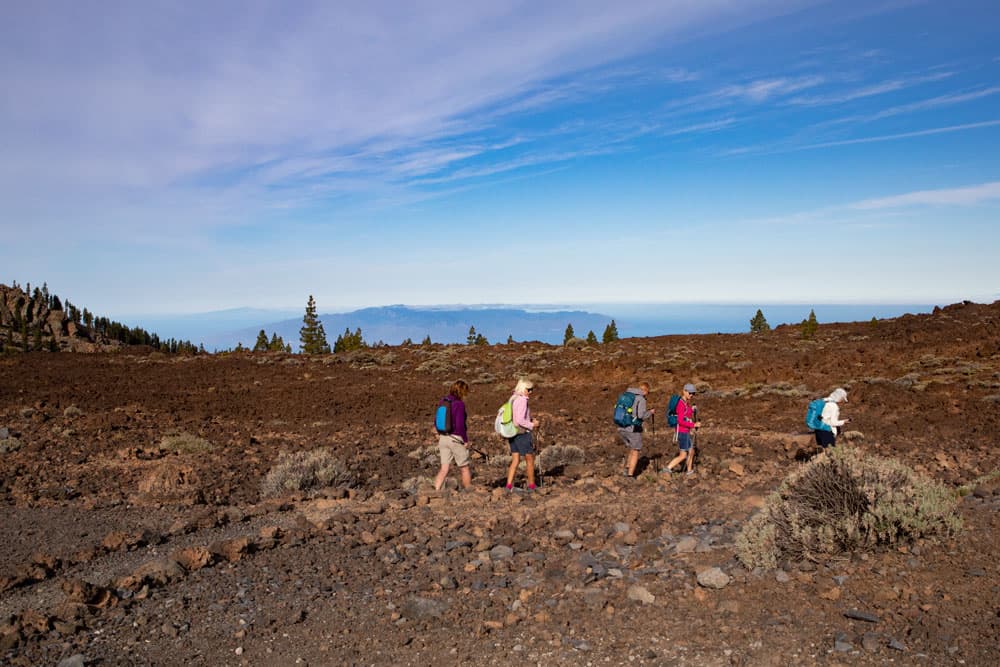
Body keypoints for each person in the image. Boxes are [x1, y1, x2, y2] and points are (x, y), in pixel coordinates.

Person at [433, 380, 472, 491]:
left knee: (444, 468)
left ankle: (435, 490)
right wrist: (465, 440)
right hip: (455, 439)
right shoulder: (459, 404)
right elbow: (460, 425)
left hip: (443, 438)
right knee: (464, 467)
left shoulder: (443, 401)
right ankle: (469, 492)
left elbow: (436, 420)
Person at [505, 378, 539, 492]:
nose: (530, 392)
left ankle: (509, 486)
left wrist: (529, 419)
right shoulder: (523, 400)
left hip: (512, 433)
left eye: (531, 389)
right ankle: (532, 486)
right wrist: (532, 425)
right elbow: (520, 420)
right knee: (529, 459)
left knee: (515, 460)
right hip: (522, 433)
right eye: (529, 389)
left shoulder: (513, 398)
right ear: (523, 388)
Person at [618, 382, 655, 478]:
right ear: (645, 391)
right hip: (633, 429)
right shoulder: (641, 399)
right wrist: (650, 412)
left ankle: (627, 468)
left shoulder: (628, 396)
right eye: (648, 392)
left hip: (622, 427)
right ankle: (630, 475)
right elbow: (640, 415)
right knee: (636, 450)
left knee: (632, 448)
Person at [663, 383, 701, 475]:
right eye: (690, 393)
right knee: (684, 455)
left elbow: (686, 412)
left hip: (684, 432)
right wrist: (693, 425)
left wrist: (692, 409)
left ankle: (689, 471)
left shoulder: (685, 403)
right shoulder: (681, 404)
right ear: (684, 391)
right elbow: (680, 421)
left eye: (693, 393)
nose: (691, 395)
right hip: (682, 432)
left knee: (691, 451)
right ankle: (668, 468)